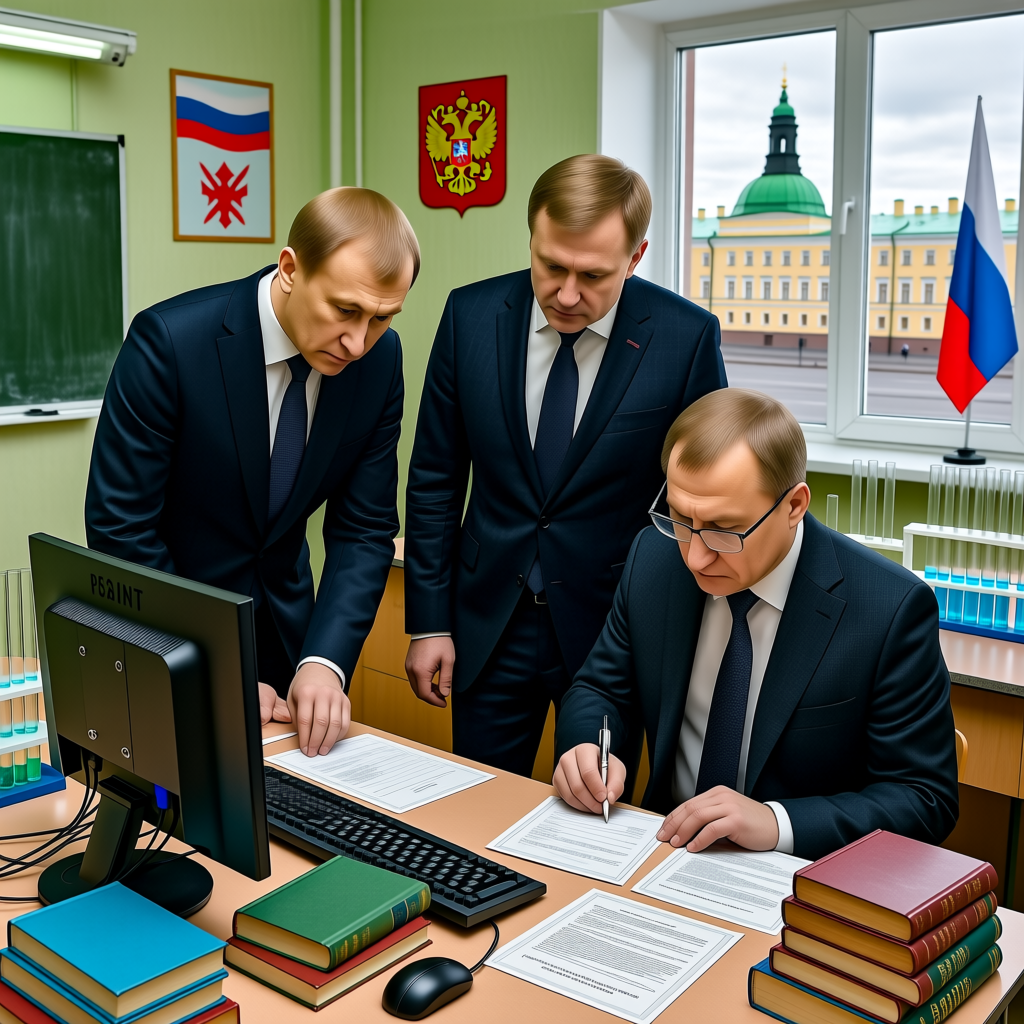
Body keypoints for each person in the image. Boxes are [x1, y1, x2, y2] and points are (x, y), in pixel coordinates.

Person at [404, 154, 727, 776]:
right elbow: (435, 481)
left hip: (612, 635)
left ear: (635, 258)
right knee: (477, 801)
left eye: (593, 275)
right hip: (486, 624)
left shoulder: (685, 339)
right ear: (532, 238)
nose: (567, 294)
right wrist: (428, 623)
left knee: (588, 806)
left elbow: (699, 501)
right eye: (551, 265)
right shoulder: (469, 316)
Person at [553, 389, 959, 860]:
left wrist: (776, 822)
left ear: (794, 506)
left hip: (799, 873)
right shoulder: (654, 559)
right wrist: (588, 748)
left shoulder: (890, 609)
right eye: (680, 518)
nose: (696, 557)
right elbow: (600, 689)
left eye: (724, 530)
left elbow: (924, 798)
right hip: (661, 849)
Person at [86, 188, 417, 757]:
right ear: (290, 269)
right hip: (170, 644)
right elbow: (121, 527)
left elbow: (363, 529)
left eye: (382, 318)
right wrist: (214, 665)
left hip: (292, 644)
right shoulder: (169, 342)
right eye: (344, 310)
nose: (358, 342)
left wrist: (326, 661)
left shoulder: (381, 363)